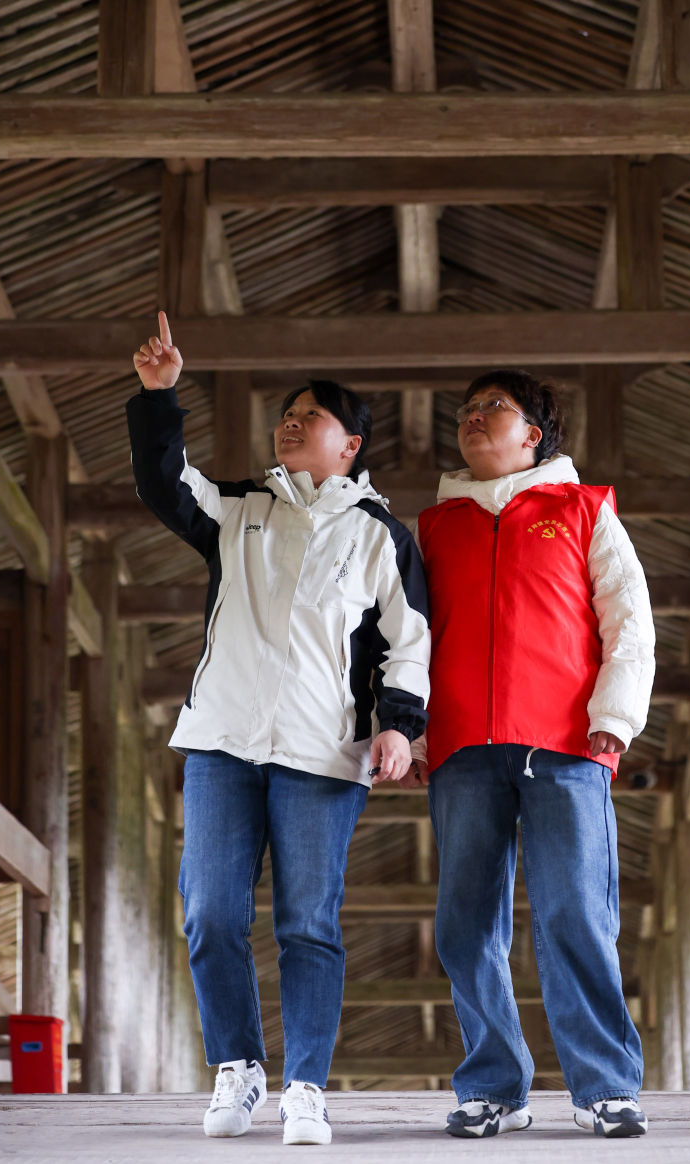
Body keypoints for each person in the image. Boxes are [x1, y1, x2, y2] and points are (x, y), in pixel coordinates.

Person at [128, 312, 430, 1144]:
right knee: (209, 914)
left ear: (352, 445)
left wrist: (400, 727)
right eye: (286, 415)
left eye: (311, 416)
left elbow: (410, 643)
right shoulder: (238, 508)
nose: (290, 424)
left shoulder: (381, 538)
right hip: (222, 744)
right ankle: (238, 1066)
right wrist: (159, 398)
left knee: (306, 924)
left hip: (322, 756)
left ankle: (306, 1086)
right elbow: (164, 484)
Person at [413, 369, 655, 1141]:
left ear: (534, 435)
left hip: (566, 745)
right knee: (465, 923)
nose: (474, 416)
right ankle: (493, 1087)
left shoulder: (583, 510)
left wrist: (615, 715)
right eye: (467, 407)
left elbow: (629, 620)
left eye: (496, 407)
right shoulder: (433, 527)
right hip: (461, 747)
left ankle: (605, 1086)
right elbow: (407, 638)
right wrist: (413, 731)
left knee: (575, 911)